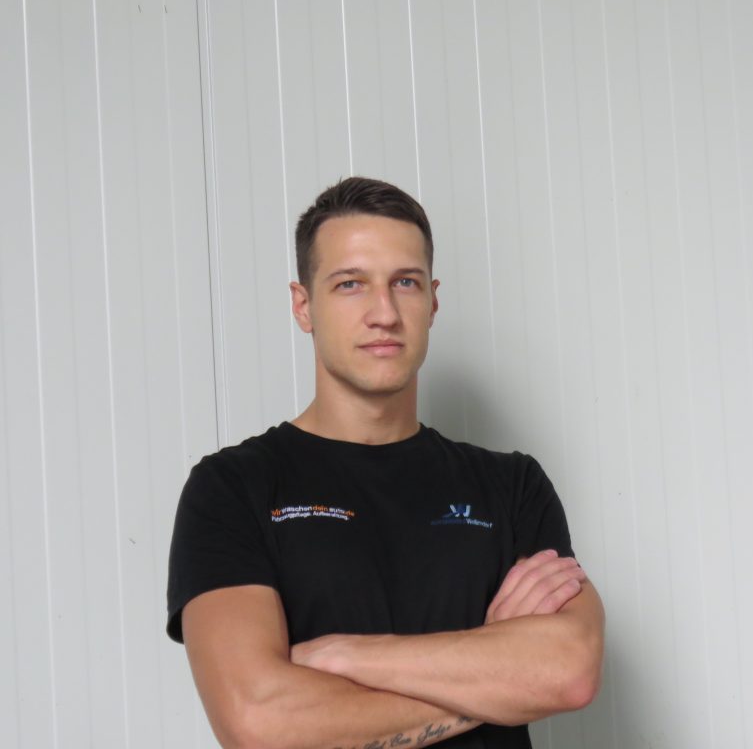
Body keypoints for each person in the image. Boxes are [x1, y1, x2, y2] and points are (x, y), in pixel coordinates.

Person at [166, 177, 604, 748]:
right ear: (303, 305)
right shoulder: (232, 488)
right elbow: (259, 725)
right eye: (350, 284)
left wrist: (349, 656)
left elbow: (568, 672)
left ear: (433, 301)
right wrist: (495, 666)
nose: (384, 313)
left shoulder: (512, 485)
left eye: (405, 282)